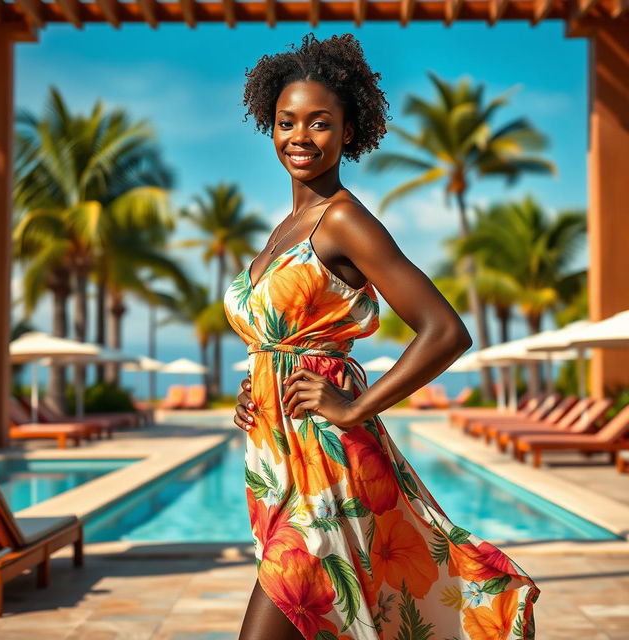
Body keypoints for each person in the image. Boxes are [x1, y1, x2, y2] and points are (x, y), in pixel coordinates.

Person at [223, 32, 540, 640]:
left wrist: (356, 406)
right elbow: (281, 341)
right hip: (277, 456)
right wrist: (253, 390)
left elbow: (445, 330)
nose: (300, 137)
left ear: (348, 131)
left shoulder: (342, 218)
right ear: (269, 126)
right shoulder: (285, 229)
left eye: (320, 123)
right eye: (286, 122)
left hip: (327, 461)